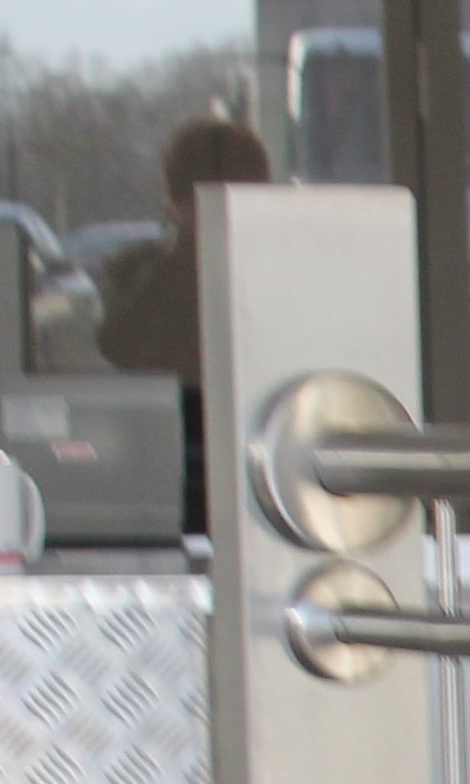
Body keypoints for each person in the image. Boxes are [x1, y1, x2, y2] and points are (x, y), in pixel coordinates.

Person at [93, 114, 272, 533]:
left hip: (174, 473)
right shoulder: (150, 275)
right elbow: (123, 348)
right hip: (243, 471)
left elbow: (121, 348)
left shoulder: (146, 274)